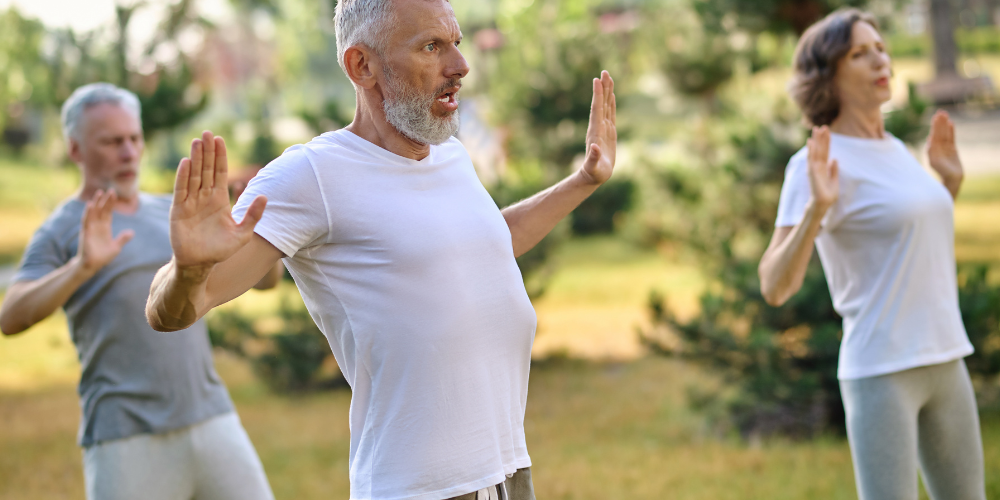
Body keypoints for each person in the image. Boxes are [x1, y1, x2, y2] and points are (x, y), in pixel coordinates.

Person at [144, 0, 617, 498]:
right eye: (432, 47)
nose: (459, 65)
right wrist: (190, 268)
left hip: (506, 472)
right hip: (421, 488)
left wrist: (583, 180)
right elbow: (173, 310)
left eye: (455, 42)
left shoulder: (449, 154)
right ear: (361, 65)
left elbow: (485, 245)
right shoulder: (313, 176)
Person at [0, 83, 278, 500]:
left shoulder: (177, 214)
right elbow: (11, 316)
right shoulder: (62, 227)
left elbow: (265, 283)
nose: (128, 152)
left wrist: (254, 234)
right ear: (75, 150)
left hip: (211, 418)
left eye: (134, 138)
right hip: (124, 436)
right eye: (112, 142)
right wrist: (81, 267)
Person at [758, 9, 985, 500]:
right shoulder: (814, 163)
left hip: (947, 358)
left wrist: (948, 186)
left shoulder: (900, 150)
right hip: (882, 370)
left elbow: (910, 246)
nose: (880, 59)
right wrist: (819, 209)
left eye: (880, 47)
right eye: (860, 53)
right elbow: (775, 285)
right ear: (828, 74)